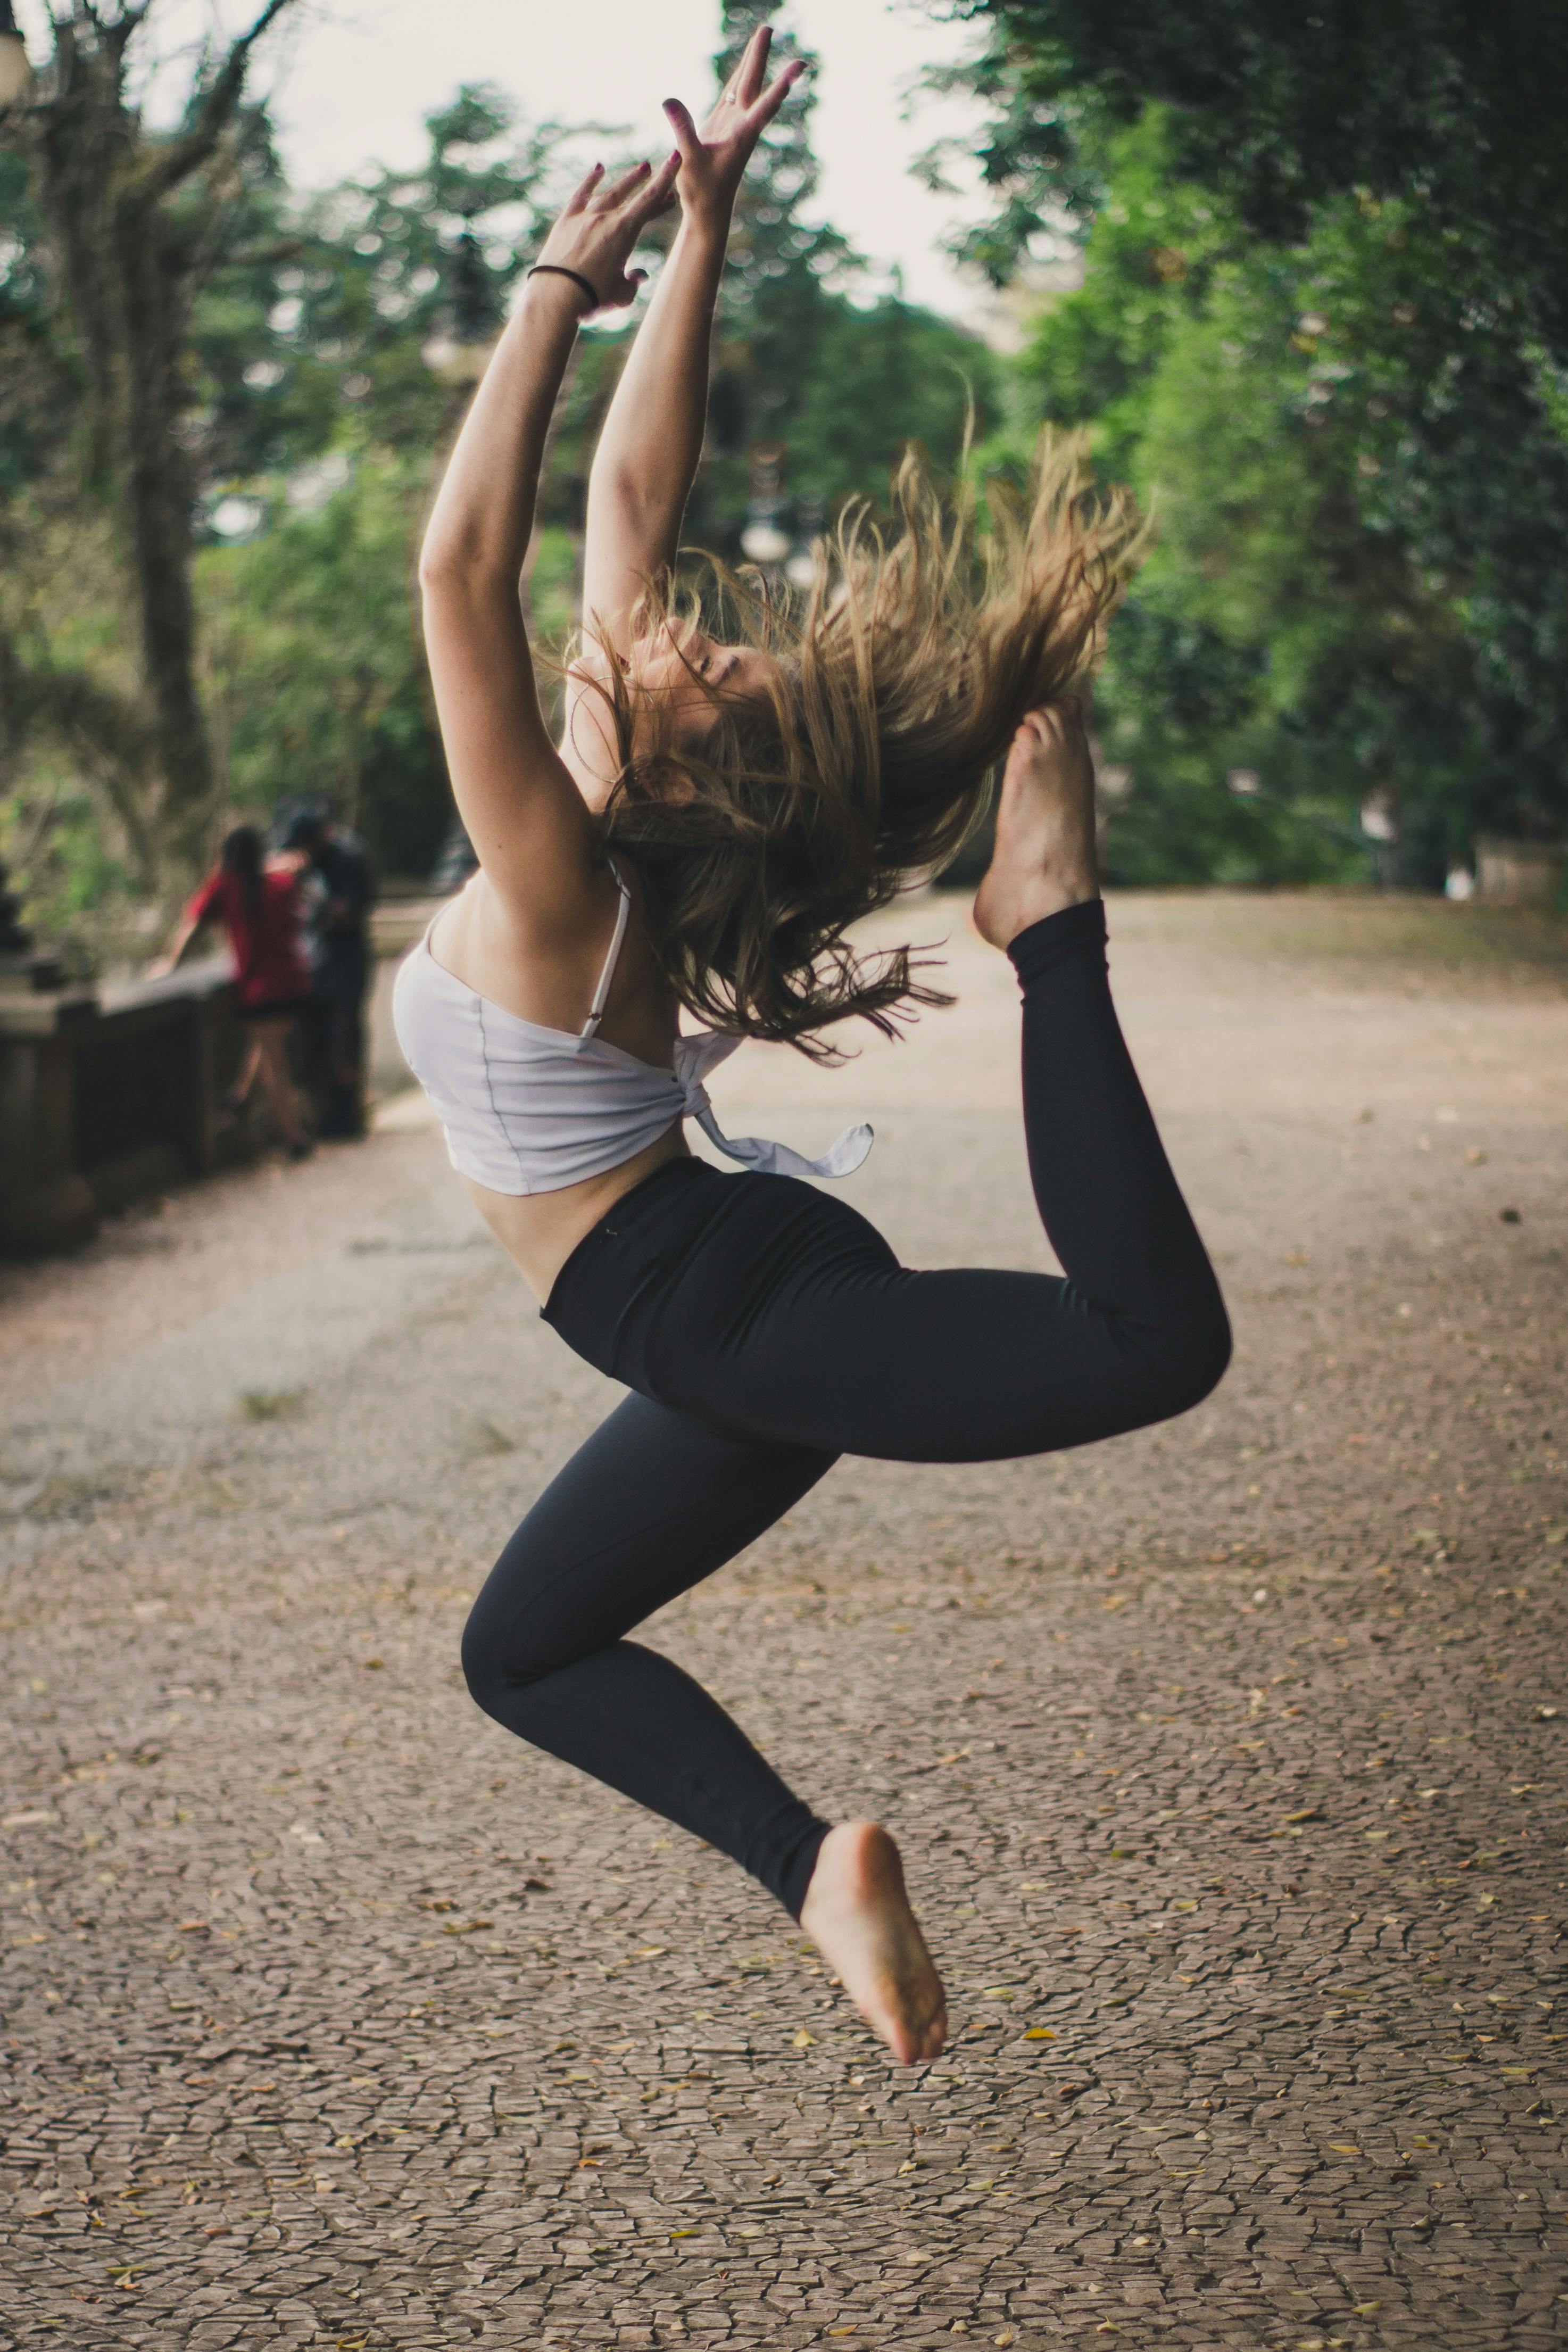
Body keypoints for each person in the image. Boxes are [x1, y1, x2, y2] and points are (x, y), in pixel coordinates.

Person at [391, 30, 1231, 2068]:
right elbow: (625, 485)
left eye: (717, 653)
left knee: (1154, 1347)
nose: (694, 613)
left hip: (722, 1313)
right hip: (712, 1311)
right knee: (524, 1645)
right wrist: (699, 232)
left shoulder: (560, 879)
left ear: (690, 752)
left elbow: (455, 566)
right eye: (707, 628)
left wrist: (542, 297)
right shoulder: (602, 792)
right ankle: (815, 1863)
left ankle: (1049, 935)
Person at [153, 824, 312, 1158]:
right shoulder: (279, 884)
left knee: (274, 1065)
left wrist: (170, 965)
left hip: (259, 989)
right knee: (266, 1045)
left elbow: (192, 927)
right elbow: (295, 882)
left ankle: (294, 1137)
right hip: (293, 982)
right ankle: (239, 1097)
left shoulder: (226, 887)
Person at [279, 805, 375, 1139]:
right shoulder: (297, 865)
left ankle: (349, 1119)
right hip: (310, 969)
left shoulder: (348, 859)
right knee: (310, 1046)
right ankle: (322, 1120)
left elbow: (349, 911)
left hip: (346, 965)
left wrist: (311, 891)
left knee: (345, 1041)